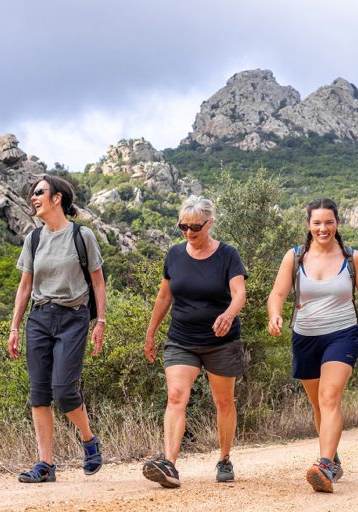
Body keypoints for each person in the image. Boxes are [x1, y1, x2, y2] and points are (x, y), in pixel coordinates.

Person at [267, 198, 358, 493]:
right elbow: (278, 293)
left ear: (337, 223)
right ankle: (331, 455)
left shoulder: (352, 259)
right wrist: (275, 314)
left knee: (330, 396)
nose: (324, 228)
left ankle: (323, 464)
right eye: (317, 223)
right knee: (318, 403)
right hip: (305, 337)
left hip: (342, 334)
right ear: (309, 225)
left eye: (329, 222)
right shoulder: (294, 257)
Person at [142, 195, 247, 488]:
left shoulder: (228, 255)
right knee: (176, 396)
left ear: (209, 223)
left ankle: (224, 458)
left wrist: (228, 314)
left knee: (223, 401)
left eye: (195, 227)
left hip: (221, 340)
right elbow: (165, 297)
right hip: (181, 339)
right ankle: (170, 465)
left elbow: (239, 293)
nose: (189, 233)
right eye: (183, 227)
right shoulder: (174, 255)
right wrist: (151, 333)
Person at [8, 175, 106, 483]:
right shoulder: (33, 239)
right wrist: (14, 327)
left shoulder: (82, 235)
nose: (33, 197)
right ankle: (46, 465)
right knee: (39, 394)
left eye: (38, 192)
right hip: (39, 319)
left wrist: (100, 321)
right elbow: (24, 287)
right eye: (31, 193)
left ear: (57, 198)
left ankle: (89, 440)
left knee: (64, 391)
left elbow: (98, 282)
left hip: (73, 318)